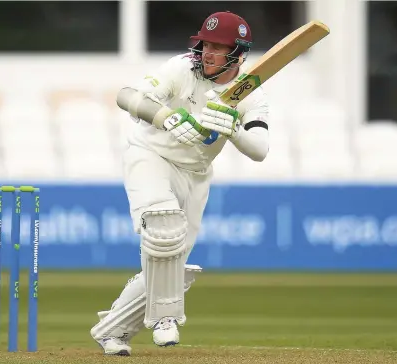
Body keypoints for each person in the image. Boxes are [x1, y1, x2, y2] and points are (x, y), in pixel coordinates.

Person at [90, 11, 270, 356]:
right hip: (150, 156)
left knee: (169, 262)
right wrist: (166, 116)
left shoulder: (249, 94)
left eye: (219, 49)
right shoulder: (181, 68)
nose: (208, 54)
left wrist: (233, 130)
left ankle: (111, 330)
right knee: (163, 229)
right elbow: (126, 96)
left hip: (196, 173)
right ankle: (167, 318)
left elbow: (260, 150)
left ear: (238, 54)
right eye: (206, 45)